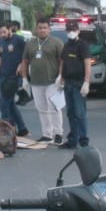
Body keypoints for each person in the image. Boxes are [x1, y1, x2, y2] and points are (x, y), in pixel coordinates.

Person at [19, 18, 66, 144]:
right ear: (36, 29)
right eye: (40, 28)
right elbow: (25, 61)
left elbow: (62, 60)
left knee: (54, 107)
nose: (42, 30)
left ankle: (58, 133)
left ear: (49, 29)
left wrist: (61, 76)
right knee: (41, 108)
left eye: (45, 28)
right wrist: (24, 78)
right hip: (36, 82)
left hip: (52, 81)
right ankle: (47, 134)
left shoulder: (56, 42)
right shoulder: (30, 43)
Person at [0, 22, 29, 137]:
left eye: (4, 32)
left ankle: (6, 132)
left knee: (4, 105)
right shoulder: (1, 43)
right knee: (11, 105)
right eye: (0, 32)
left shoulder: (18, 40)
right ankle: (22, 129)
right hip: (4, 77)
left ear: (10, 30)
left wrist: (21, 65)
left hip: (14, 78)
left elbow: (26, 56)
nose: (2, 34)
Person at [57, 20, 94, 149]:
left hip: (79, 83)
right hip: (68, 83)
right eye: (69, 30)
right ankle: (73, 139)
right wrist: (60, 77)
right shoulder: (66, 46)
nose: (71, 32)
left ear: (78, 31)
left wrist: (86, 82)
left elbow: (87, 64)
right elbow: (62, 62)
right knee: (71, 113)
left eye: (73, 30)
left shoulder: (82, 45)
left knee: (80, 113)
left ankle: (83, 140)